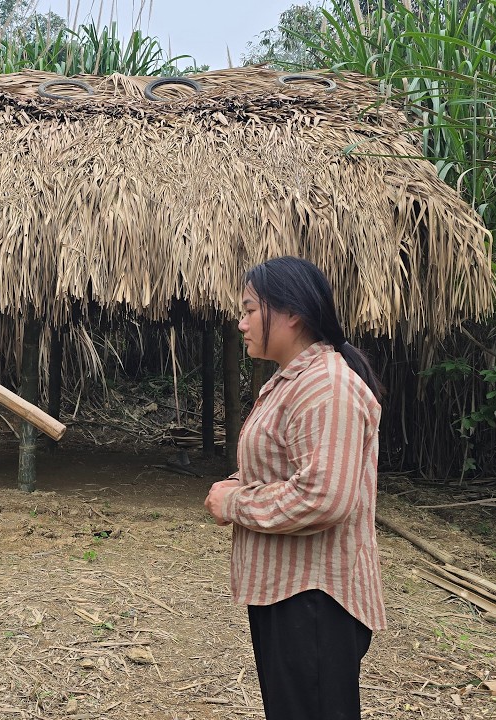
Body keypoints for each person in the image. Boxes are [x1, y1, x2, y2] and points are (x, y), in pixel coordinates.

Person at [203, 256, 385, 720]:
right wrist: (235, 483)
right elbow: (276, 465)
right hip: (288, 592)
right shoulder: (293, 382)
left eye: (249, 310)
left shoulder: (326, 387)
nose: (240, 323)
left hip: (314, 600)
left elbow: (323, 497)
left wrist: (236, 503)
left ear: (291, 314)